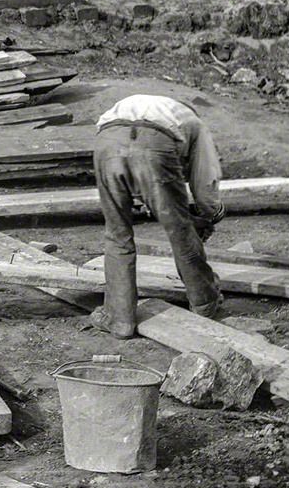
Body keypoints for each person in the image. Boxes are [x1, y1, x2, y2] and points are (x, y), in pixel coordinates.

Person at [92, 91, 224, 337]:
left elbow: (131, 161)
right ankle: (205, 302)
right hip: (155, 142)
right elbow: (205, 181)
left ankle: (120, 320)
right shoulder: (195, 124)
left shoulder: (138, 105)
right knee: (179, 229)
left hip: (107, 141)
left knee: (117, 233)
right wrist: (209, 214)